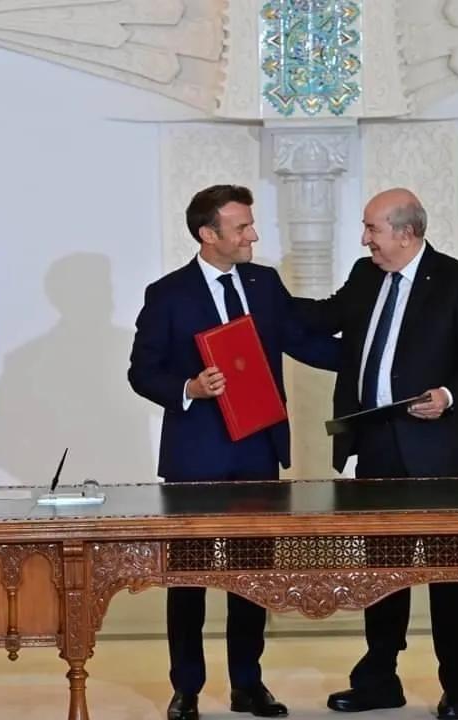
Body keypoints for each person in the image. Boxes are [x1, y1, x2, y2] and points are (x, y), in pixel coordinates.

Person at [127, 184, 339, 720]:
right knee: (189, 580)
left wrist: (383, 359)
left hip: (257, 451)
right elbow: (142, 371)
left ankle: (248, 684)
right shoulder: (167, 294)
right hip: (195, 459)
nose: (253, 235)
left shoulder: (264, 284)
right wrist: (189, 388)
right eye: (242, 227)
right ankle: (187, 689)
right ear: (208, 234)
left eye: (250, 225)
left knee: (251, 576)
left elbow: (304, 340)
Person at [294, 188, 458, 720]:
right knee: (383, 572)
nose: (365, 239)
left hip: (442, 450)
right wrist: (264, 299)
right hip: (378, 445)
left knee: (451, 575)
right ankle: (379, 680)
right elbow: (324, 319)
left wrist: (449, 395)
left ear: (406, 233)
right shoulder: (366, 277)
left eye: (372, 229)